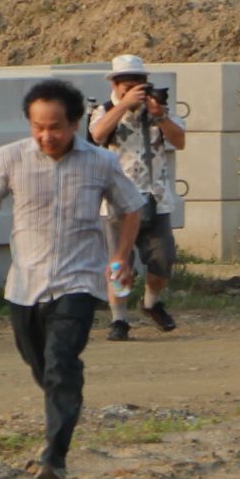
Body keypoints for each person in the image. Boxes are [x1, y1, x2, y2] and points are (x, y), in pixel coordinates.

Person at [0, 79, 147, 479]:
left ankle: (54, 459)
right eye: (38, 127)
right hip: (25, 284)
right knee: (43, 366)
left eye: (56, 127)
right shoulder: (9, 158)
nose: (47, 136)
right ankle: (66, 403)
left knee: (61, 360)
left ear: (76, 122)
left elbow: (131, 208)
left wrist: (121, 255)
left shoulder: (100, 162)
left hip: (79, 280)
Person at [88, 54, 186, 337]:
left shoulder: (158, 109)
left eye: (138, 84)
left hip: (154, 196)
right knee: (119, 263)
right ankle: (119, 319)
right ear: (116, 85)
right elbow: (97, 135)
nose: (132, 90)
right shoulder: (104, 110)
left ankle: (151, 302)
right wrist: (123, 107)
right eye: (126, 85)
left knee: (162, 259)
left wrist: (160, 115)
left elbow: (179, 141)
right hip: (116, 199)